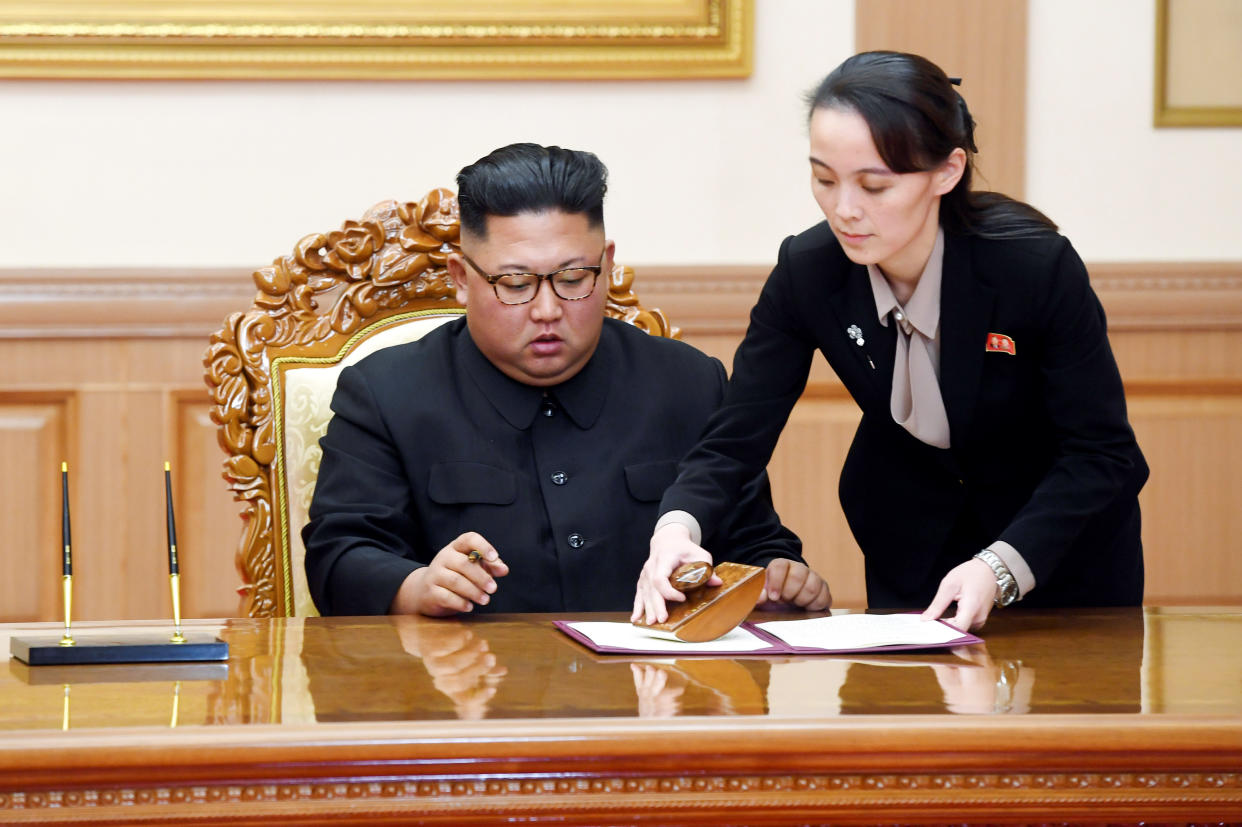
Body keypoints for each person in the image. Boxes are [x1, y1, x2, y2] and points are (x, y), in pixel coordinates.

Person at [635, 51, 1147, 631]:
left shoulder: (1034, 269)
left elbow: (1100, 452)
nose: (843, 210)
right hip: (912, 546)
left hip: (1058, 553)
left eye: (874, 185)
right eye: (824, 179)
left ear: (948, 173)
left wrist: (1000, 567)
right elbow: (734, 440)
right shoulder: (808, 271)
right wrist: (676, 529)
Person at [303, 142, 831, 617]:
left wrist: (781, 574)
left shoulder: (689, 383)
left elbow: (755, 544)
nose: (548, 309)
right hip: (467, 701)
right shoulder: (385, 394)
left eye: (573, 278)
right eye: (515, 284)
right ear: (461, 279)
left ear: (607, 265)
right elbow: (338, 558)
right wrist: (417, 585)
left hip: (652, 698)